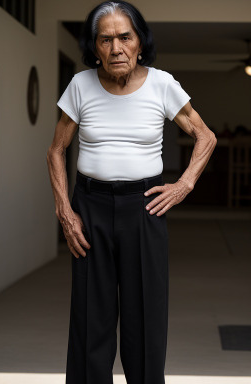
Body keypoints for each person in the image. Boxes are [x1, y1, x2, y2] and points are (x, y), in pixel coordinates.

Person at [46, 1, 217, 383]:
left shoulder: (163, 84)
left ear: (140, 42)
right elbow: (56, 150)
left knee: (146, 318)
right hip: (89, 208)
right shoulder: (80, 85)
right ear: (94, 48)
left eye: (125, 37)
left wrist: (184, 184)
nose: (116, 48)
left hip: (144, 208)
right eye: (105, 39)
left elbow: (205, 135)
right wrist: (64, 210)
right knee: (92, 318)